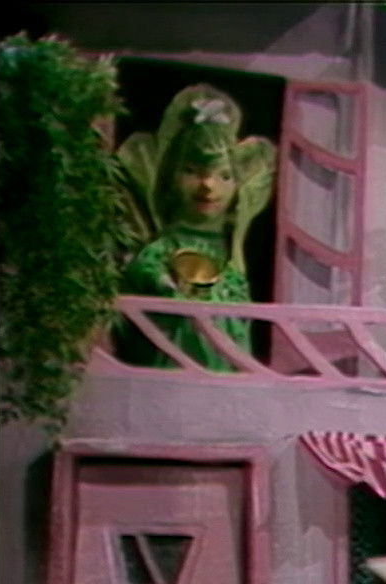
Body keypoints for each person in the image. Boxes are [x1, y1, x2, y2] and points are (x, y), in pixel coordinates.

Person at [114, 85, 275, 370]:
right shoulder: (167, 244)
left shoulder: (229, 250)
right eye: (191, 172)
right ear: (170, 176)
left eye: (224, 176)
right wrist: (164, 285)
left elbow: (239, 299)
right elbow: (145, 267)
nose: (208, 186)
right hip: (171, 359)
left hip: (222, 363)